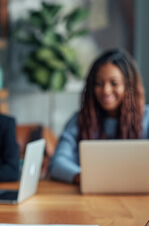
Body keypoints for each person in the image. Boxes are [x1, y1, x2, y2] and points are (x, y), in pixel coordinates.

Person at [49, 49, 149, 184]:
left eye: (114, 83)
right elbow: (58, 162)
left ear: (129, 86)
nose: (106, 90)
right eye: (99, 84)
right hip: (90, 195)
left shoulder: (146, 118)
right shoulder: (79, 120)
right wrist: (83, 177)